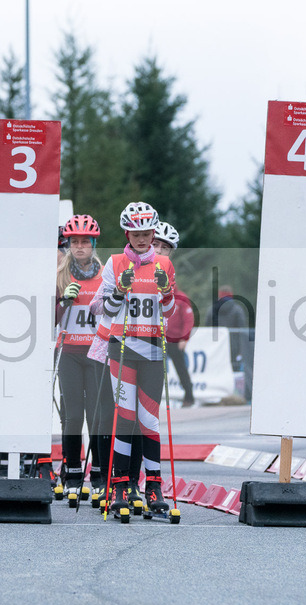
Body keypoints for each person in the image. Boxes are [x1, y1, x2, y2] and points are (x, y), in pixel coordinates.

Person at [96, 202, 176, 519]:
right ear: (127, 233)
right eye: (136, 233)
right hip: (123, 348)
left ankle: (153, 485)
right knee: (125, 417)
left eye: (147, 234)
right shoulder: (115, 263)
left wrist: (167, 294)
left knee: (150, 420)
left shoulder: (164, 265)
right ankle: (118, 485)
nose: (142, 239)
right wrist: (119, 290)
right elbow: (103, 310)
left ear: (153, 233)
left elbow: (169, 313)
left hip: (153, 350)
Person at [54, 215, 107, 500]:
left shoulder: (105, 274)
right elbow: (50, 318)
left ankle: (98, 473)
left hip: (98, 352)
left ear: (93, 244)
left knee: (97, 416)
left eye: (85, 242)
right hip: (70, 351)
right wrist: (62, 301)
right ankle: (72, 471)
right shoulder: (61, 274)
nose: (80, 247)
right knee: (72, 416)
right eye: (75, 242)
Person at [153, 222, 196, 407]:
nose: (160, 251)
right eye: (156, 245)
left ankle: (189, 396)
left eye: (165, 248)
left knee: (181, 370)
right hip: (154, 336)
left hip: (174, 340)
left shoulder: (181, 297)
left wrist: (184, 338)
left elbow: (189, 319)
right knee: (155, 371)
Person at [204, 285, 252, 401]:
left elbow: (206, 328)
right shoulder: (237, 309)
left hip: (216, 347)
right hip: (234, 346)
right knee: (234, 370)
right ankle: (236, 395)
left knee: (217, 369)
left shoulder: (212, 309)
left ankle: (216, 395)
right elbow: (242, 329)